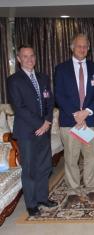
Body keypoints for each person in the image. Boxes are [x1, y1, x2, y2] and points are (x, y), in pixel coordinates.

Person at [7, 45, 57, 216]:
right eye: (25, 56)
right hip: (27, 132)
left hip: (44, 130)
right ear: (19, 59)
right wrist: (40, 124)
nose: (29, 59)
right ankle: (32, 203)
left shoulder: (43, 77)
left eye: (32, 55)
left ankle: (43, 198)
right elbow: (19, 108)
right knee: (29, 169)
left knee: (45, 166)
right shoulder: (13, 80)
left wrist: (48, 121)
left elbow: (50, 101)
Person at [54, 34, 94, 194]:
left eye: (85, 46)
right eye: (79, 46)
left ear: (88, 49)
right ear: (72, 47)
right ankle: (73, 190)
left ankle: (91, 187)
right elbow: (59, 95)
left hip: (90, 121)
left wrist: (87, 112)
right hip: (70, 122)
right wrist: (76, 114)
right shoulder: (61, 69)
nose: (82, 49)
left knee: (91, 157)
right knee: (71, 159)